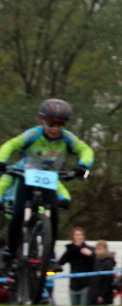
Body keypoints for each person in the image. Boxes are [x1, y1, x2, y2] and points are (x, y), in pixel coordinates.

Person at [0, 99, 93, 274]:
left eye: (60, 125)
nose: (55, 129)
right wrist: (1, 161)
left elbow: (86, 149)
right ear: (42, 121)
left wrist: (83, 166)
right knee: (18, 215)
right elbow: (10, 145)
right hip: (26, 177)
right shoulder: (33, 134)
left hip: (49, 179)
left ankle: (49, 256)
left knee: (55, 216)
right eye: (50, 124)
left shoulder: (67, 138)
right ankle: (10, 253)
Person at [58, 226, 95, 305]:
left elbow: (95, 264)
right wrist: (72, 249)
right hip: (73, 284)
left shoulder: (90, 249)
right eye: (77, 235)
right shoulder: (70, 250)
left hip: (86, 285)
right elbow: (61, 262)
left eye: (81, 235)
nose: (79, 237)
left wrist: (91, 255)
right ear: (73, 237)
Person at [88, 239, 116, 305]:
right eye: (96, 249)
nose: (97, 251)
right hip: (94, 294)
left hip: (103, 296)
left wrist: (102, 295)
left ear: (106, 249)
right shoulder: (96, 260)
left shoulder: (108, 262)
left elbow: (108, 281)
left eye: (100, 249)